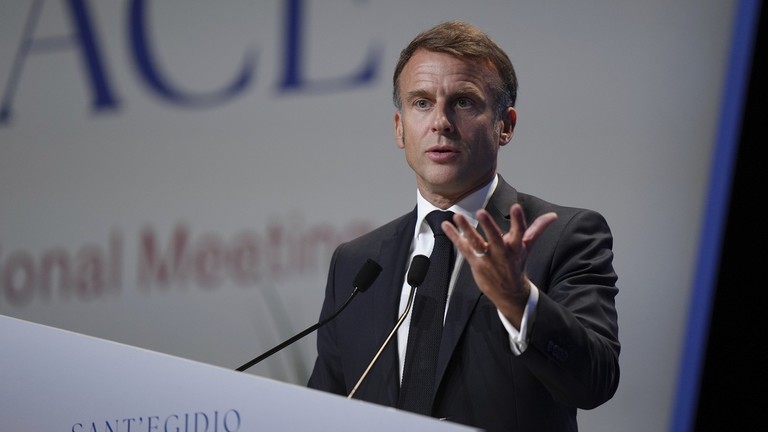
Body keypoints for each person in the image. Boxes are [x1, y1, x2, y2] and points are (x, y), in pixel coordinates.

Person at [307, 20, 620, 432]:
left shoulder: (563, 237)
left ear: (505, 125)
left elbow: (594, 381)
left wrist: (518, 298)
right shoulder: (357, 263)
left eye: (464, 102)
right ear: (400, 129)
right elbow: (321, 410)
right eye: (421, 103)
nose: (440, 122)